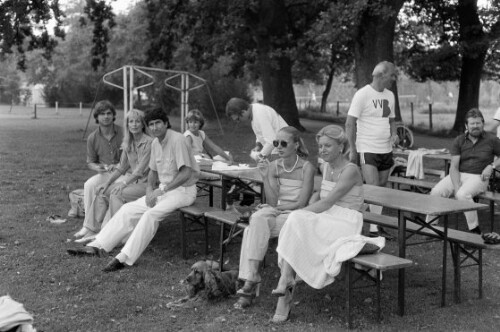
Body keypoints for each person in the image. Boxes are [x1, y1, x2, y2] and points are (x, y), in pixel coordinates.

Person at [67, 108, 200, 272]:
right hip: (163, 190)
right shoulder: (156, 143)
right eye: (151, 124)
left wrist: (162, 190)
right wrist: (151, 190)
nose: (155, 127)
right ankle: (97, 246)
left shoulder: (178, 140)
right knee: (128, 209)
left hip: (182, 191)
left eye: (158, 123)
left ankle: (123, 257)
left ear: (166, 123)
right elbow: (153, 171)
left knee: (151, 215)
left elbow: (186, 172)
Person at [270, 125, 365, 323]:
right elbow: (320, 196)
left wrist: (299, 211)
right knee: (296, 224)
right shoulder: (327, 166)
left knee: (295, 220)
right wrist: (304, 210)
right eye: (320, 146)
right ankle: (286, 280)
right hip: (329, 216)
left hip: (345, 220)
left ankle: (285, 287)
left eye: (327, 146)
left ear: (341, 146)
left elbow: (328, 202)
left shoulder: (351, 170)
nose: (322, 151)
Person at [233, 126, 315, 309]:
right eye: (276, 143)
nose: (278, 147)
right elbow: (271, 200)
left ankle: (249, 287)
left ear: (296, 145)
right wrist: (264, 176)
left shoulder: (306, 167)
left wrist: (276, 208)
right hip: (278, 211)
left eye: (283, 143)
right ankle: (253, 274)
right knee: (257, 221)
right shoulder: (273, 166)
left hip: (295, 215)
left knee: (251, 230)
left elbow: (301, 204)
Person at [73, 109, 153, 242]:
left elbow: (139, 171)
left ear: (143, 124)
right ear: (127, 125)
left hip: (147, 185)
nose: (134, 125)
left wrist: (123, 183)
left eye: (137, 121)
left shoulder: (149, 143)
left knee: (116, 194)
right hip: (133, 183)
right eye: (131, 122)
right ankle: (92, 229)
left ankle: (111, 234)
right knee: (102, 191)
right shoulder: (128, 142)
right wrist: (107, 183)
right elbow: (121, 167)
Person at [345, 61, 398, 239]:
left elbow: (391, 120)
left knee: (381, 187)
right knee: (373, 187)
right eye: (392, 75)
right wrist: (353, 149)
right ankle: (371, 227)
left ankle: (374, 224)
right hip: (367, 147)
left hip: (386, 148)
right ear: (381, 75)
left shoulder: (390, 95)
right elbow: (350, 122)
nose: (394, 78)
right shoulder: (363, 94)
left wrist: (394, 134)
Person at [426, 109, 500, 234]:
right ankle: (430, 227)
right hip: (458, 174)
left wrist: (491, 166)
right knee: (436, 191)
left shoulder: (492, 140)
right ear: (466, 126)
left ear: (483, 123)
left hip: (479, 177)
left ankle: (474, 230)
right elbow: (454, 167)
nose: (475, 126)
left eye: (478, 123)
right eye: (472, 124)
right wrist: (456, 186)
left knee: (462, 195)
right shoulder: (459, 140)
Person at [74, 100, 123, 229]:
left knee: (115, 190)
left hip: (124, 171)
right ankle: (89, 225)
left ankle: (112, 225)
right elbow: (90, 161)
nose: (106, 116)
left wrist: (119, 165)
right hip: (106, 172)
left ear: (113, 115)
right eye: (102, 114)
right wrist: (97, 167)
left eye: (108, 113)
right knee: (89, 185)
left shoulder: (124, 133)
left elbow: (132, 157)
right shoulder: (92, 137)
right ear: (96, 117)